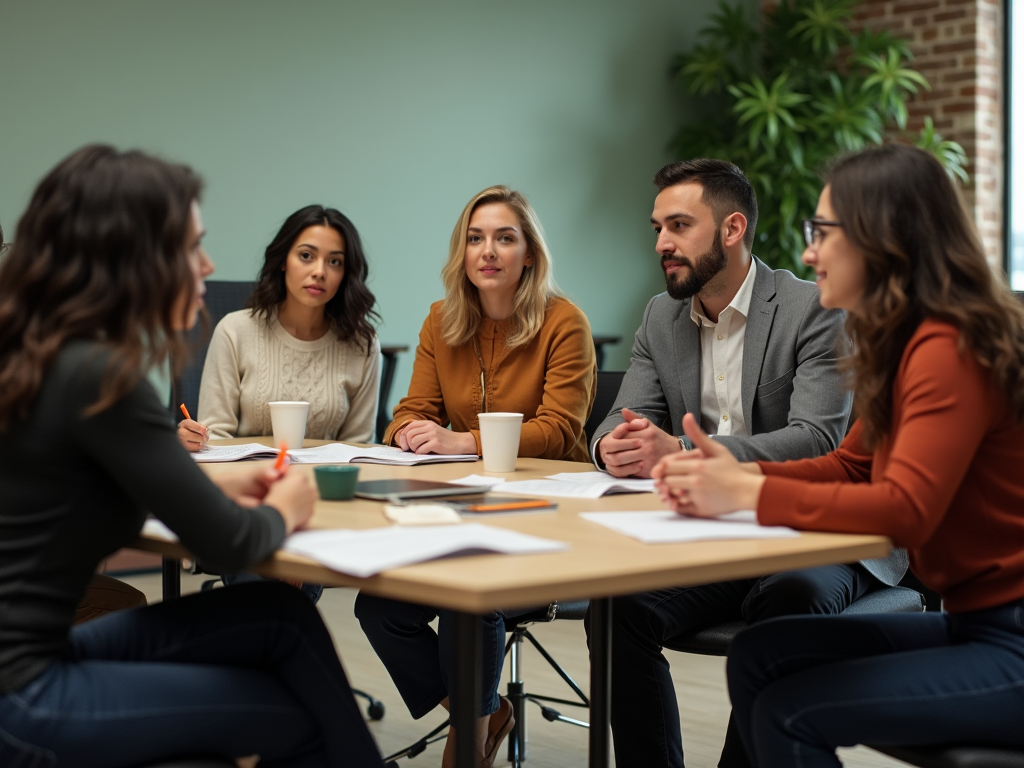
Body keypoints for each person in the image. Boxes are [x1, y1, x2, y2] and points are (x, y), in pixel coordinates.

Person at [0, 144, 383, 767]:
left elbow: (114, 492)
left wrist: (227, 491)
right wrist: (285, 505)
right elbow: (234, 544)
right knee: (293, 713)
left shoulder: (49, 358)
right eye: (190, 247)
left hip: (31, 661)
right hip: (25, 694)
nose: (206, 265)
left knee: (281, 613)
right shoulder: (98, 377)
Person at [655, 143, 1024, 766]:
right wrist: (735, 469)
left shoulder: (948, 347)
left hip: (1010, 638)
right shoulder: (903, 345)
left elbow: (905, 512)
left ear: (884, 240)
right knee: (759, 655)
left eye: (822, 232)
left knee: (788, 709)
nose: (807, 252)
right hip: (974, 625)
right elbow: (852, 466)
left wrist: (748, 492)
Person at [585, 158, 907, 768]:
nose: (662, 244)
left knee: (789, 597)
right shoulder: (661, 315)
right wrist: (612, 446)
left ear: (732, 229)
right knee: (618, 606)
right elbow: (620, 419)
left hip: (821, 533)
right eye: (657, 228)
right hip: (719, 533)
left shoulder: (813, 306)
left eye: (679, 225)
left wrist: (684, 454)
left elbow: (817, 439)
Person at [358, 185, 597, 767]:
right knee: (379, 608)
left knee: (472, 595)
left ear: (529, 255)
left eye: (504, 237)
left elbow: (560, 431)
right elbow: (409, 411)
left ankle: (467, 739)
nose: (488, 250)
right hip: (462, 508)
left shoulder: (565, 323)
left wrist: (463, 439)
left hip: (549, 517)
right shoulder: (441, 321)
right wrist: (410, 432)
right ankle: (484, 713)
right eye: (475, 237)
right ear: (462, 253)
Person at [179, 204, 380, 450]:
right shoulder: (234, 331)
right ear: (283, 260)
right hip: (246, 480)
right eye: (306, 256)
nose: (319, 272)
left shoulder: (362, 344)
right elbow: (216, 437)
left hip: (326, 483)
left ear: (346, 273)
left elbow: (359, 447)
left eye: (335, 261)